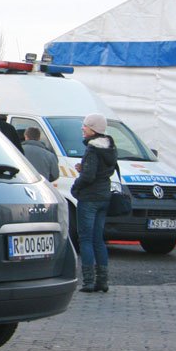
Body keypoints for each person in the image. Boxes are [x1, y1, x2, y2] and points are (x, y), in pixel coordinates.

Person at [70, 113, 117, 293]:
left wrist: (76, 186)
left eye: (85, 126)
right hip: (104, 196)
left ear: (93, 129)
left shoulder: (92, 149)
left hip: (89, 198)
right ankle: (102, 281)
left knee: (86, 240)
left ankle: (88, 282)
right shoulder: (110, 148)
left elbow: (89, 177)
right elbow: (104, 171)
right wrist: (86, 168)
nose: (83, 128)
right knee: (99, 240)